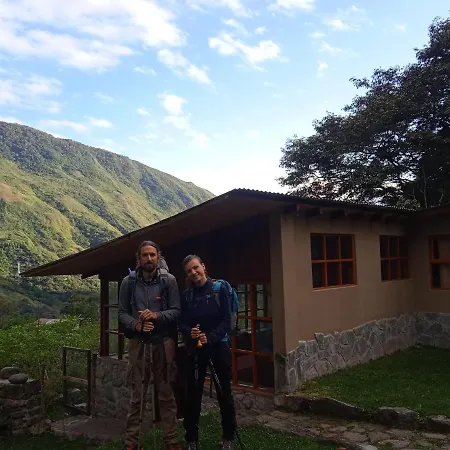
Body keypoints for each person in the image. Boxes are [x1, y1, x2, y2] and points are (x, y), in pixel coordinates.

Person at [118, 240, 183, 450]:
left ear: (158, 257)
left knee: (166, 394)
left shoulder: (168, 281)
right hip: (138, 343)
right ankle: (131, 442)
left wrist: (156, 315)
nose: (149, 259)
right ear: (138, 258)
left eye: (152, 255)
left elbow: (176, 311)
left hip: (163, 343)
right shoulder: (128, 283)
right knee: (137, 396)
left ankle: (172, 441)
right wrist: (137, 325)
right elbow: (122, 313)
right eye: (145, 255)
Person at [179, 254, 237, 450]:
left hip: (218, 346)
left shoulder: (219, 289)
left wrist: (210, 337)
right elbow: (182, 323)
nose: (193, 272)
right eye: (189, 271)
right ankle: (191, 439)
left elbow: (227, 320)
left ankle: (228, 437)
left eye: (196, 267)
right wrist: (190, 332)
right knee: (193, 396)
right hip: (196, 349)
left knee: (224, 393)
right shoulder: (187, 296)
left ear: (203, 266)